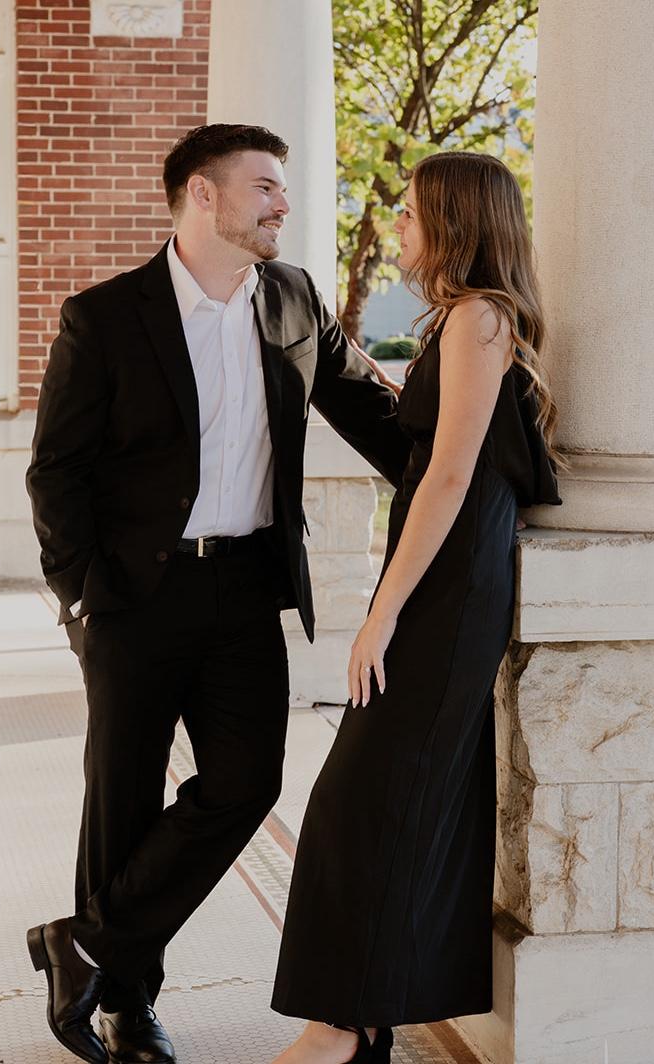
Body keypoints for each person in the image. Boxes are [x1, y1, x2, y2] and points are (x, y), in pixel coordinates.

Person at [23, 123, 412, 1064]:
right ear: (203, 193)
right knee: (121, 798)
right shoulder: (105, 317)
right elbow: (56, 471)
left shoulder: (294, 297)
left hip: (245, 585)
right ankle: (127, 1006)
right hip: (134, 595)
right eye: (265, 185)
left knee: (246, 782)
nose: (284, 203)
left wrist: (474, 475)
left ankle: (84, 945)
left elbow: (372, 413)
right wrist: (82, 596)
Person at [269, 150, 566, 1064]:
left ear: (455, 220)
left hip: (448, 591)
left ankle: (344, 1026)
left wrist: (382, 612)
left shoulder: (481, 318)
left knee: (371, 799)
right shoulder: (462, 319)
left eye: (410, 210)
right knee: (378, 800)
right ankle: (359, 1023)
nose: (399, 223)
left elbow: (448, 477)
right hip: (441, 580)